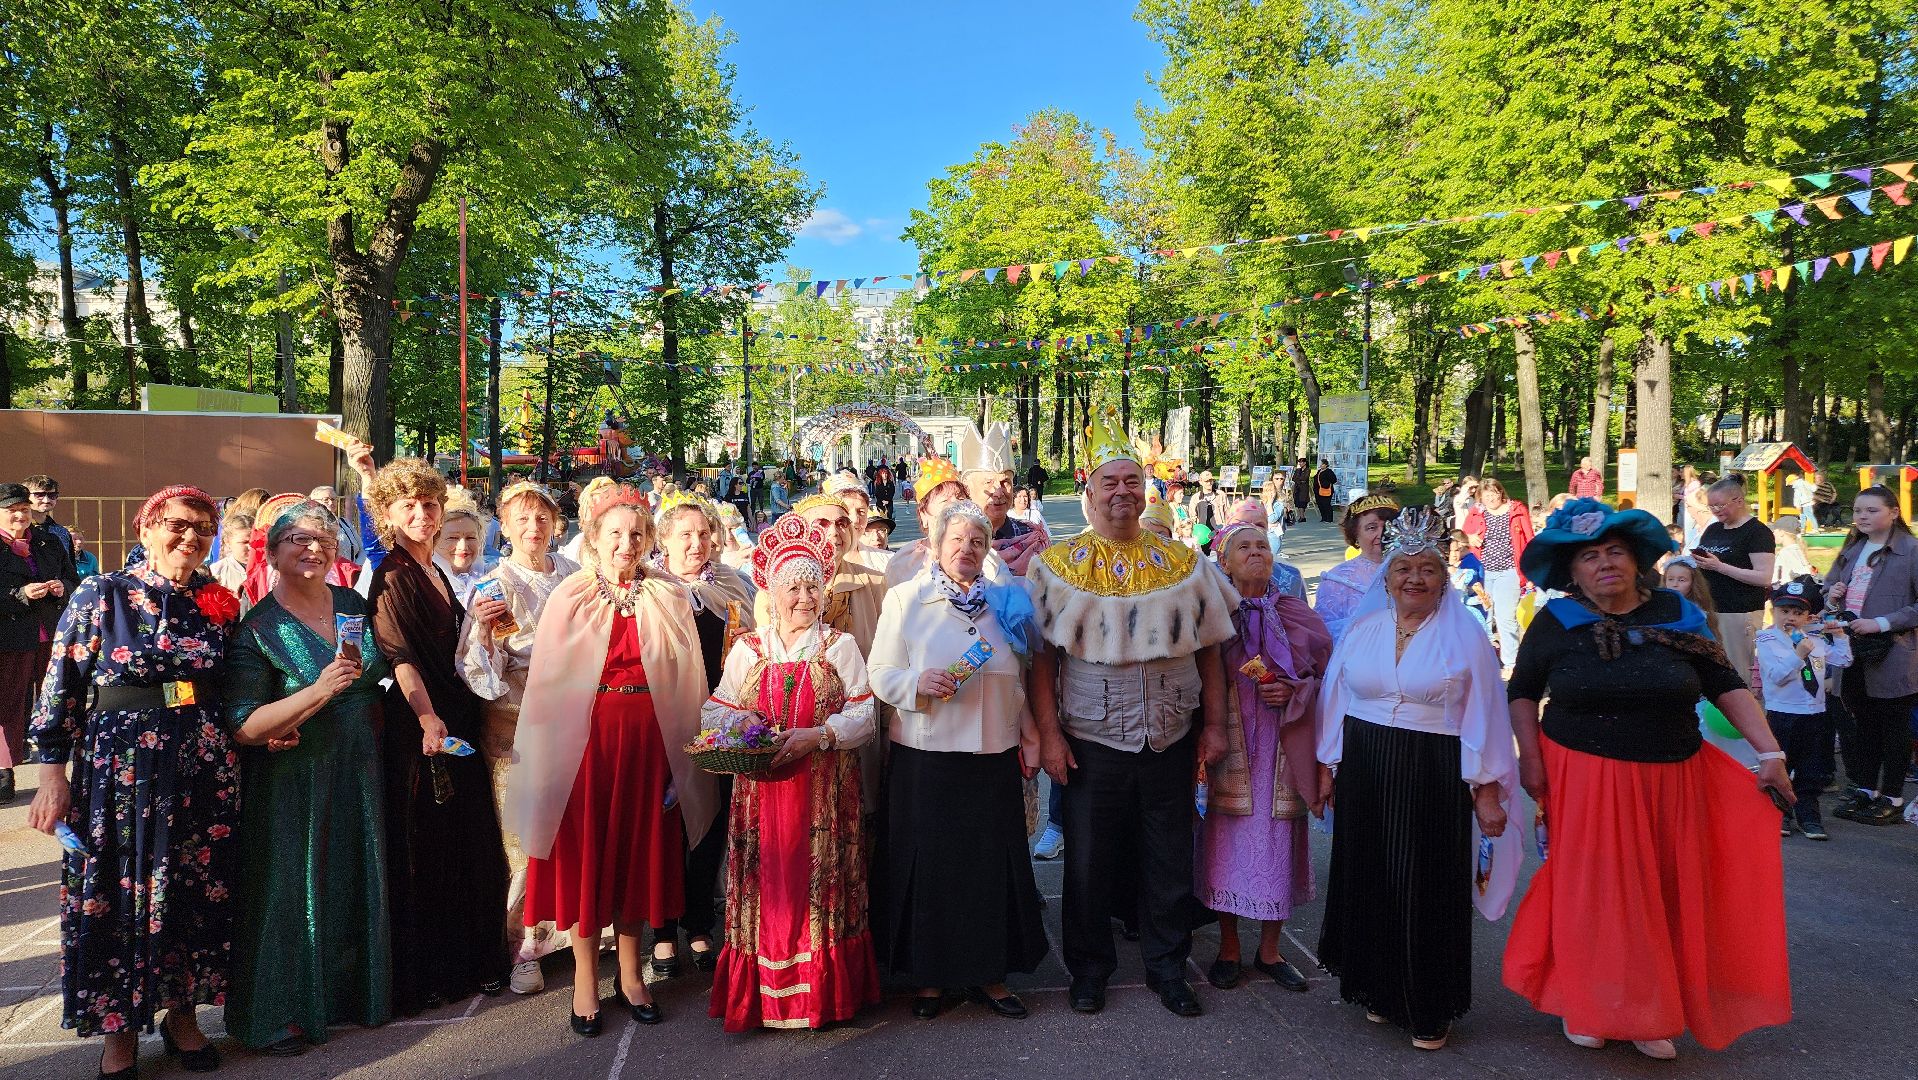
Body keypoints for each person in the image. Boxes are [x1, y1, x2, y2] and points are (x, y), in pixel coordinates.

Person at [1504, 498, 1793, 1059]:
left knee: (1661, 893)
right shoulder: (1556, 620)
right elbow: (1522, 691)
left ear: (1637, 560)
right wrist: (1529, 758)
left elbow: (1724, 683)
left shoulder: (1676, 614)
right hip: (1585, 776)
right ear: (1572, 571)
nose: (1604, 564)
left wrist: (1770, 752)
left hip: (1674, 778)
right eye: (1589, 557)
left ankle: (1649, 1009)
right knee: (1598, 896)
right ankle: (1588, 1001)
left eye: (1615, 551)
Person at [25, 486, 241, 1078]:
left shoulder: (217, 600)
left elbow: (217, 686)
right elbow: (60, 686)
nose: (190, 537)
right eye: (177, 524)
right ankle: (117, 1032)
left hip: (201, 766)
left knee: (193, 894)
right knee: (117, 896)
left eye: (203, 528)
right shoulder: (104, 593)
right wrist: (51, 778)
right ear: (145, 528)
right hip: (118, 774)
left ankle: (182, 1015)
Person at [1027, 415, 1239, 1019]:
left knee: (1168, 858)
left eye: (1131, 480)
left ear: (1146, 489)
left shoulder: (1185, 564)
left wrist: (1216, 726)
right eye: (1109, 482)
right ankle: (1090, 970)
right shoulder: (1054, 567)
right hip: (1091, 739)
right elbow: (1041, 663)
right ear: (1088, 492)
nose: (1122, 491)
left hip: (1170, 735)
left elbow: (1212, 653)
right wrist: (1047, 735)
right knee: (1088, 863)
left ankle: (1167, 967)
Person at [507, 484, 713, 1036]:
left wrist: (684, 757)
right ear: (593, 539)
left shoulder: (668, 596)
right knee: (589, 861)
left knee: (634, 859)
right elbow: (548, 687)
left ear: (648, 540)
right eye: (614, 533)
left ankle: (631, 974)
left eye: (636, 533)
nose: (626, 542)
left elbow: (688, 679)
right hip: (586, 750)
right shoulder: (569, 596)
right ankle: (583, 980)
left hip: (650, 746)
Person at [1313, 507, 1519, 1051]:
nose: (1414, 578)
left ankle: (1428, 1004)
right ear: (1387, 577)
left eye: (1427, 568)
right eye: (1404, 568)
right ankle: (1379, 988)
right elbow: (1337, 698)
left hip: (1432, 769)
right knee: (1371, 874)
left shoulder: (1466, 635)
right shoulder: (1364, 629)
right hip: (1364, 764)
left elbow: (1487, 715)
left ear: (1443, 578)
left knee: (1425, 883)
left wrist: (1489, 790)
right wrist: (1327, 766)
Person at [221, 499, 392, 1054]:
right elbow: (246, 725)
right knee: (295, 887)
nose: (313, 548)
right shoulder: (257, 628)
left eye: (323, 538)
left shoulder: (352, 603)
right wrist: (317, 691)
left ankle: (351, 993)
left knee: (352, 871)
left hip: (361, 760)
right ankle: (278, 1012)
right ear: (269, 552)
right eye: (297, 539)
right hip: (297, 773)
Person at [869, 500, 1047, 1019]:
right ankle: (928, 978)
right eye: (957, 541)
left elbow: (1020, 675)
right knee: (931, 867)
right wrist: (915, 682)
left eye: (976, 542)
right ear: (936, 545)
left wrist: (1030, 733)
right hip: (926, 753)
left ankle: (990, 974)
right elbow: (879, 672)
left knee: (990, 866)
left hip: (993, 752)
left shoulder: (1006, 603)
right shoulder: (906, 599)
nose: (966, 550)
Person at [703, 515, 881, 1031]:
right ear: (772, 591)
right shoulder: (749, 650)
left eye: (812, 585)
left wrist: (819, 735)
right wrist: (745, 722)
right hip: (762, 796)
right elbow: (713, 710)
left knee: (817, 882)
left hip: (824, 790)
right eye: (792, 586)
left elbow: (866, 715)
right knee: (770, 885)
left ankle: (820, 994)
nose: (803, 597)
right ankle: (766, 996)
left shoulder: (838, 647)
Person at [366, 458, 512, 1012]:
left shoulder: (435, 568)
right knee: (431, 847)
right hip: (426, 727)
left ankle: (472, 960)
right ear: (388, 514)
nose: (423, 515)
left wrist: (480, 624)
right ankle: (434, 971)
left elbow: (453, 649)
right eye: (409, 506)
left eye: (429, 504)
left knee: (465, 840)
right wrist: (428, 719)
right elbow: (401, 659)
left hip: (457, 713)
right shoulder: (394, 575)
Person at [455, 481, 581, 994]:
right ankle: (523, 941)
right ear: (503, 528)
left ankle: (579, 930)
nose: (534, 528)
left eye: (542, 518)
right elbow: (477, 672)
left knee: (573, 830)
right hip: (518, 728)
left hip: (577, 722)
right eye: (521, 520)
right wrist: (483, 634)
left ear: (557, 524)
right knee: (524, 839)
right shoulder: (494, 585)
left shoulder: (576, 576)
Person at [1198, 522, 1331, 995]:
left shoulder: (1296, 612)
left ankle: (1271, 950)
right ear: (1225, 561)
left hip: (1281, 746)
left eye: (1262, 547)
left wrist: (1294, 689)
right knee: (1224, 843)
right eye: (1244, 547)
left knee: (1278, 843)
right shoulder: (1210, 612)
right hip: (1230, 746)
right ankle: (1229, 948)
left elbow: (1325, 678)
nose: (1256, 553)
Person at [647, 492, 756, 979]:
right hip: (663, 720)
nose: (696, 543)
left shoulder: (733, 584)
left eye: (704, 534)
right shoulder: (649, 588)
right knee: (666, 826)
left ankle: (697, 921)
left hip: (719, 720)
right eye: (685, 535)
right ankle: (663, 929)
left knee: (711, 820)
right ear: (664, 540)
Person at [1826, 485, 1918, 825]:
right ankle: (1866, 790)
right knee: (1862, 724)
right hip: (1850, 652)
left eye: (1872, 510)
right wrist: (1832, 595)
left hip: (1893, 654)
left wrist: (1880, 623)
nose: (1862, 516)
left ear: (1893, 512)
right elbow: (1828, 590)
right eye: (1858, 511)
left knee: (1893, 728)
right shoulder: (1853, 548)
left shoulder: (1911, 551)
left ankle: (1892, 797)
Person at [1757, 576, 1850, 840]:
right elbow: (1776, 676)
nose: (1791, 617)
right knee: (1782, 766)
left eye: (1798, 613)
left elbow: (1844, 660)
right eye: (1784, 611)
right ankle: (1781, 813)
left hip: (1814, 713)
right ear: (1774, 611)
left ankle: (1809, 815)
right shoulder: (1767, 641)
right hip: (1783, 714)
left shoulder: (1815, 639)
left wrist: (1839, 636)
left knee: (1812, 768)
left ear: (1809, 616)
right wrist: (1798, 654)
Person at [1, 483, 77, 803]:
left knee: (54, 701)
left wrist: (63, 585)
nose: (20, 515)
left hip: (49, 633)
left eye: (24, 510)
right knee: (9, 704)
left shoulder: (48, 541)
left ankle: (54, 768)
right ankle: (4, 773)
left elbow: (72, 578)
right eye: (11, 510)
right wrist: (21, 595)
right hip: (10, 637)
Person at [1693, 476, 1775, 689]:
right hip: (1710, 610)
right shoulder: (1714, 529)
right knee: (1712, 670)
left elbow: (1764, 577)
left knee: (1736, 673)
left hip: (1739, 612)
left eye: (1720, 505)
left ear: (1738, 500)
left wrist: (1720, 567)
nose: (1715, 511)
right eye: (1710, 506)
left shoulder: (1757, 532)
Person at [886, 458, 1006, 589]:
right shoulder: (903, 563)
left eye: (960, 498)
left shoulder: (988, 561)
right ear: (923, 514)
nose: (955, 505)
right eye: (945, 501)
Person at [1461, 478, 1534, 668]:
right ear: (1481, 498)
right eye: (1486, 494)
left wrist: (1532, 571)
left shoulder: (1516, 510)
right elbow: (1461, 538)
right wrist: (1469, 537)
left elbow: (1529, 540)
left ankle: (1511, 664)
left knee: (1505, 617)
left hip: (1508, 570)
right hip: (1483, 573)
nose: (1491, 497)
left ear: (1501, 493)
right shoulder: (1476, 512)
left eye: (1494, 493)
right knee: (1483, 615)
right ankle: (1483, 661)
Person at [960, 422, 1047, 575]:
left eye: (1005, 482)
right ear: (967, 488)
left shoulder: (1032, 537)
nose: (998, 492)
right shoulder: (953, 541)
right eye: (988, 482)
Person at [1313, 494, 1400, 644]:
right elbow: (1324, 636)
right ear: (1356, 535)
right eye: (1372, 528)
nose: (1382, 533)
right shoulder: (1337, 580)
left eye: (1388, 526)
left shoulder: (1415, 572)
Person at [1223, 499, 1305, 599]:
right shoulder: (1210, 577)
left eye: (1259, 525)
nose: (1251, 531)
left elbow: (1301, 612)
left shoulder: (1291, 575)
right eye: (1241, 525)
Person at [1660, 556, 1723, 641]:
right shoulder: (1659, 605)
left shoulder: (1698, 611)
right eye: (1670, 579)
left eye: (1682, 580)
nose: (1675, 584)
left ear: (1693, 583)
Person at [23, 474, 76, 563]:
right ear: (26, 496)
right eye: (39, 495)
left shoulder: (62, 532)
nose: (46, 500)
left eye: (52, 495)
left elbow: (70, 570)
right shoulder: (17, 531)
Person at [207, 508, 254, 594]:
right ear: (227, 541)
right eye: (244, 542)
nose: (251, 547)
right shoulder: (216, 571)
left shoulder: (270, 569)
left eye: (254, 541)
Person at [1772, 514, 1815, 581]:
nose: (1773, 534)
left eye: (1774, 531)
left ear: (1781, 533)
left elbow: (1803, 574)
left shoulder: (1787, 552)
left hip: (1786, 589)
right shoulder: (1797, 549)